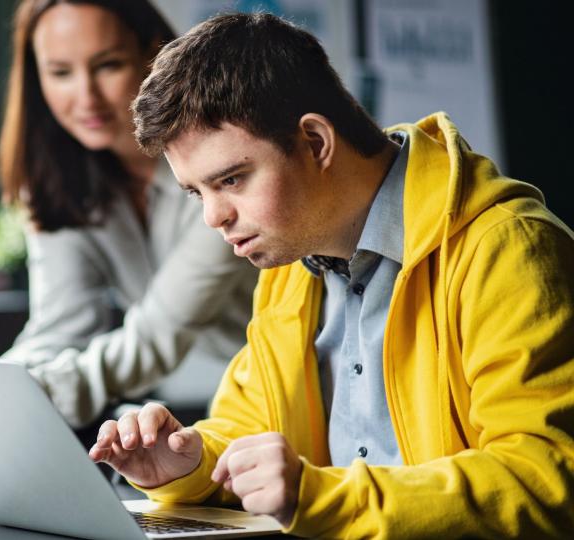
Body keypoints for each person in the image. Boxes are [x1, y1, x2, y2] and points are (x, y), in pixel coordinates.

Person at [89, 12, 574, 538]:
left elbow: (547, 478)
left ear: (317, 143)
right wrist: (187, 465)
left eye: (231, 179)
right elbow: (248, 429)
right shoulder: (292, 266)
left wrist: (320, 496)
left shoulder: (507, 246)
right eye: (196, 192)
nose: (213, 217)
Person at [0, 0, 259, 428]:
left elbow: (159, 334)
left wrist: (28, 397)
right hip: (218, 411)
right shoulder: (56, 179)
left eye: (108, 66)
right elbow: (61, 326)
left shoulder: (218, 162)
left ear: (155, 54)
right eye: (60, 73)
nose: (86, 97)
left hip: (297, 393)